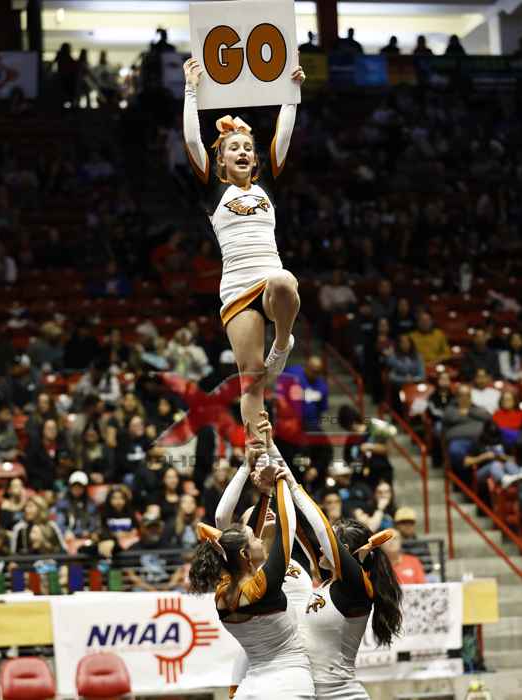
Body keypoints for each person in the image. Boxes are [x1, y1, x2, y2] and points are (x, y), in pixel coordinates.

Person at [183, 57, 305, 444]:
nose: (242, 152)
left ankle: (282, 343)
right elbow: (192, 141)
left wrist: (291, 92)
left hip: (269, 281)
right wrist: (190, 90)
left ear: (254, 159)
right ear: (220, 159)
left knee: (285, 281)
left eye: (248, 148)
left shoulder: (267, 184)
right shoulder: (214, 189)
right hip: (236, 288)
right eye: (233, 147)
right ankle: (257, 449)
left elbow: (284, 135)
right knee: (251, 379)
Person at [271, 461, 402, 700]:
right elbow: (299, 529)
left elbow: (321, 529)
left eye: (330, 543)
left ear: (345, 553)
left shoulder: (356, 587)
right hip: (311, 693)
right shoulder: (329, 581)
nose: (321, 547)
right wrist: (275, 470)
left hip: (342, 695)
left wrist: (292, 483)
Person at [189, 468, 315, 699]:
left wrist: (266, 494)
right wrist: (281, 484)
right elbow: (287, 528)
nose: (258, 537)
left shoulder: (224, 589)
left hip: (256, 683)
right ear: (244, 554)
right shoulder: (265, 579)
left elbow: (228, 542)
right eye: (254, 535)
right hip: (287, 678)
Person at [443, 385, 489, 477]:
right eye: (461, 395)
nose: (464, 398)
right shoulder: (450, 410)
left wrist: (468, 412)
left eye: (467, 395)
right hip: (460, 441)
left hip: (481, 441)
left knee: (495, 451)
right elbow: (452, 418)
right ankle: (465, 477)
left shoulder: (477, 408)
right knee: (455, 450)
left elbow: (488, 417)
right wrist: (474, 416)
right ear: (457, 397)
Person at [463, 421, 522, 489]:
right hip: (482, 471)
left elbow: (512, 458)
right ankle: (504, 479)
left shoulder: (502, 440)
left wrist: (502, 457)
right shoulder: (478, 442)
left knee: (509, 463)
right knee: (495, 464)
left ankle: (519, 477)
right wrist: (484, 457)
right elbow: (466, 462)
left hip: (503, 468)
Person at [54, 471, 99, 540]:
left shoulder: (91, 504)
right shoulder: (62, 504)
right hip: (68, 537)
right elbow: (59, 523)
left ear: (84, 488)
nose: (77, 489)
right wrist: (65, 532)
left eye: (80, 487)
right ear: (70, 487)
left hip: (87, 538)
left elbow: (94, 523)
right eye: (74, 487)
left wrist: (90, 531)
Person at [394, 506, 433, 576]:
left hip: (419, 576)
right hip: (398, 576)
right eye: (403, 522)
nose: (408, 525)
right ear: (396, 525)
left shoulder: (421, 544)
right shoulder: (391, 543)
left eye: (411, 522)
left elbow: (428, 567)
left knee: (433, 578)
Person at [427, 371, 453, 467]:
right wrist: (447, 415)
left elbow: (456, 409)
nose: (444, 381)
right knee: (439, 428)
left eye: (447, 379)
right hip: (439, 422)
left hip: (453, 421)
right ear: (438, 381)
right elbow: (433, 412)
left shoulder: (454, 396)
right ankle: (440, 459)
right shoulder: (432, 396)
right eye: (442, 379)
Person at [386, 334, 425, 398]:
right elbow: (391, 376)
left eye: (407, 342)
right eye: (402, 342)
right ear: (399, 344)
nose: (405, 344)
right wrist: (404, 379)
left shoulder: (418, 356)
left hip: (415, 384)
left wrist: (413, 379)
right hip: (399, 385)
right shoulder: (393, 358)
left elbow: (422, 375)